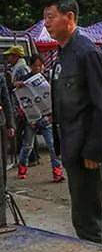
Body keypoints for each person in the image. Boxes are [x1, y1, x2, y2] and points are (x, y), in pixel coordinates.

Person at [43, 0, 102, 244]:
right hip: (72, 145)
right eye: (44, 19)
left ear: (70, 17)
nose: (46, 24)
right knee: (92, 207)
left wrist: (95, 149)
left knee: (85, 217)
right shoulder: (63, 55)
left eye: (51, 17)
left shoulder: (87, 52)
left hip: (87, 148)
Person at [13, 54, 63, 182]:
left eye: (40, 66)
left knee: (52, 146)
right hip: (31, 119)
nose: (38, 68)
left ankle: (57, 172)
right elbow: (15, 90)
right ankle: (22, 167)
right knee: (27, 146)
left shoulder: (47, 79)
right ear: (30, 66)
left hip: (46, 118)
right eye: (35, 66)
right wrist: (18, 85)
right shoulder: (24, 79)